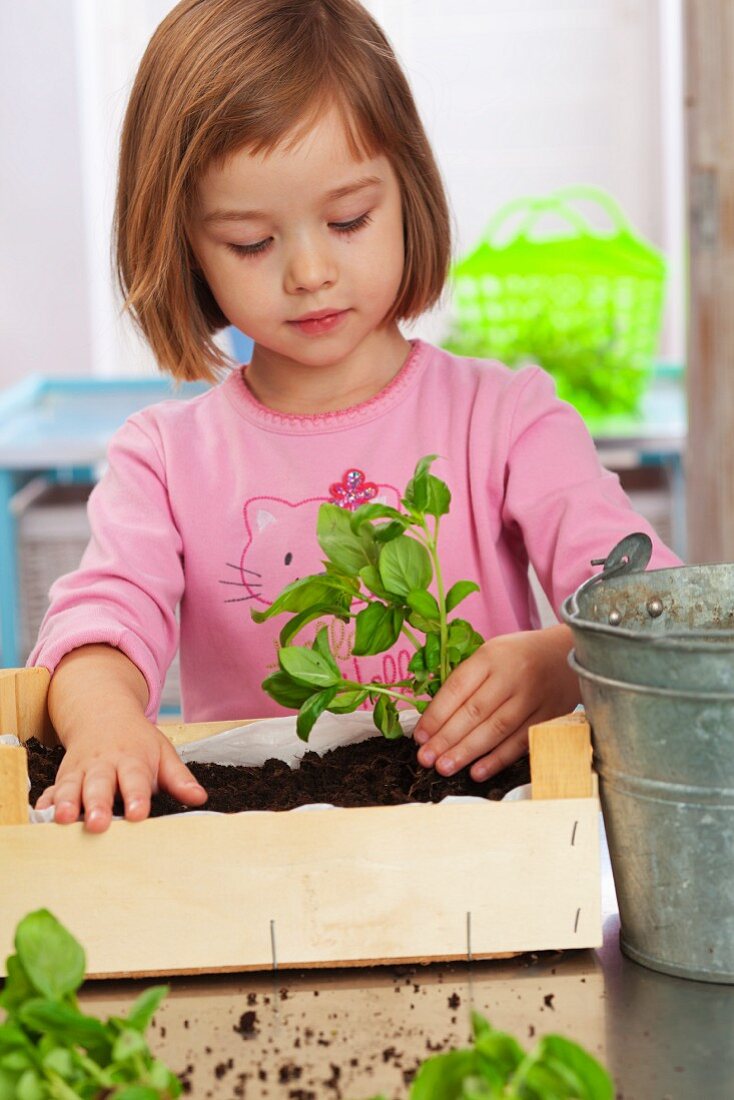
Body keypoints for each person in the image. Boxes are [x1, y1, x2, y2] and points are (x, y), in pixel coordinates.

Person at [30, 0, 680, 832]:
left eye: (348, 221)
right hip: (264, 875)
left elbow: (651, 602)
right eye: (250, 242)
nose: (309, 271)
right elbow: (99, 627)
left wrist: (564, 662)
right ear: (183, 243)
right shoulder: (164, 457)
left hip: (486, 855)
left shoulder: (508, 418)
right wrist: (105, 720)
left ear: (407, 192)